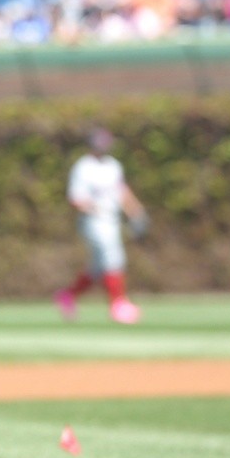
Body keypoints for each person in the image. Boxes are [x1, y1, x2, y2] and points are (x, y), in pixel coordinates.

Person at [56, 127, 148, 324]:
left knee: (98, 268)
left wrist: (136, 212)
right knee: (113, 257)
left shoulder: (113, 166)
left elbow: (122, 191)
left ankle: (68, 296)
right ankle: (118, 305)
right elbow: (76, 199)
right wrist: (96, 208)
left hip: (112, 220)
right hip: (93, 221)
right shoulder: (83, 167)